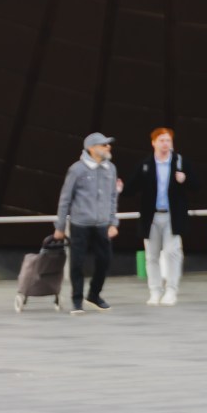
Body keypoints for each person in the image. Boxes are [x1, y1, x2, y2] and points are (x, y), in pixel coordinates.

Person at [54, 132, 121, 313]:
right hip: (80, 224)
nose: (108, 147)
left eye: (108, 144)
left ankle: (94, 294)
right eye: (103, 144)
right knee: (77, 262)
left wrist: (113, 222)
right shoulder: (77, 169)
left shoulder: (110, 168)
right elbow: (65, 199)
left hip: (102, 224)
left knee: (105, 260)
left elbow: (113, 197)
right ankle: (77, 299)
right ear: (91, 148)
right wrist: (60, 227)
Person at [130, 128, 191, 306]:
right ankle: (155, 291)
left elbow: (197, 185)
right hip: (152, 217)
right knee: (151, 256)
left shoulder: (179, 162)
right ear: (154, 143)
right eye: (162, 140)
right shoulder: (146, 164)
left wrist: (184, 179)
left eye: (168, 140)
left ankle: (171, 290)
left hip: (172, 216)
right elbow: (132, 187)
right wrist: (120, 189)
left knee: (172, 252)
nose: (165, 144)